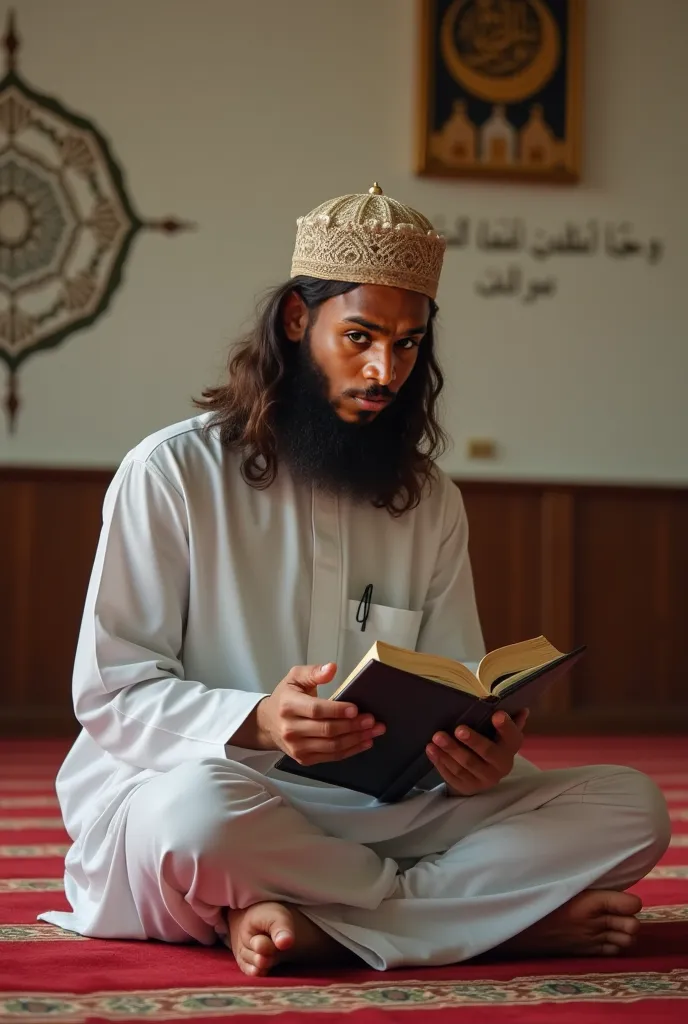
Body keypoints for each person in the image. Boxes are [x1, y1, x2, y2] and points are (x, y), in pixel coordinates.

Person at [41, 184, 670, 975]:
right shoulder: (171, 474)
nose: (384, 370)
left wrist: (479, 754)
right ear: (299, 323)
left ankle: (313, 919)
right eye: (361, 337)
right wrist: (263, 720)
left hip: (389, 813)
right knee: (191, 819)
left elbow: (456, 678)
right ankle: (493, 921)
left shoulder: (429, 498)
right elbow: (113, 692)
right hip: (233, 796)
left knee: (629, 808)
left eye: (408, 345)